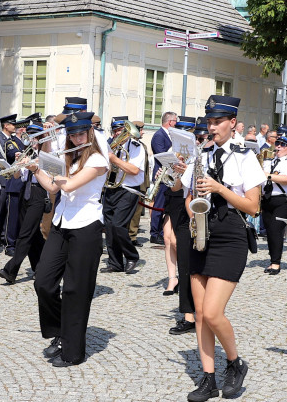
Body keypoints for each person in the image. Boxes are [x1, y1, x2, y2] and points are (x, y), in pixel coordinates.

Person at [176, 95, 264, 402]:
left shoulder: (245, 156)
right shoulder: (201, 154)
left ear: (232, 124)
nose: (211, 128)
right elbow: (186, 195)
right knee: (200, 313)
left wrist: (219, 189)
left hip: (230, 234)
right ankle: (209, 378)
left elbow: (253, 207)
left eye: (217, 123)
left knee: (213, 312)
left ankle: (235, 363)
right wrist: (193, 212)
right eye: (209, 123)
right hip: (200, 231)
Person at [30, 111, 109, 366]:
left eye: (81, 133)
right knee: (43, 281)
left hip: (86, 226)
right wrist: (35, 169)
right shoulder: (69, 156)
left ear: (89, 133)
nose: (76, 138)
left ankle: (73, 352)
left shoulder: (97, 159)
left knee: (76, 289)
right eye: (72, 134)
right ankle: (59, 332)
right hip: (61, 222)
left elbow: (69, 185)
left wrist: (53, 169)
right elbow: (53, 188)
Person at [0, 120, 51, 283]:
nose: (31, 140)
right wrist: (16, 163)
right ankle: (41, 267)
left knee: (25, 234)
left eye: (35, 137)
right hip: (24, 192)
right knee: (33, 234)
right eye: (29, 136)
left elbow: (46, 172)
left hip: (38, 193)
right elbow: (16, 176)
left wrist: (31, 162)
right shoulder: (27, 152)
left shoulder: (46, 153)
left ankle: (11, 270)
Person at [102, 116, 145, 274]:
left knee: (118, 226)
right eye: (115, 131)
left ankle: (132, 256)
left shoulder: (136, 146)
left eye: (121, 131)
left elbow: (134, 170)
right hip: (111, 188)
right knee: (109, 228)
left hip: (128, 189)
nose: (118, 134)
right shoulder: (108, 146)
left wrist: (113, 158)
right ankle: (115, 263)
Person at [165, 116, 196, 335]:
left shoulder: (199, 153)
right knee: (185, 261)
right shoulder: (175, 152)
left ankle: (203, 311)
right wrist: (172, 171)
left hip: (206, 210)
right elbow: (175, 187)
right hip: (184, 209)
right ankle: (188, 315)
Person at [260, 135, 287, 274]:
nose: (278, 146)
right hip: (267, 199)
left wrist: (267, 175)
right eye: (277, 143)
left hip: (282, 200)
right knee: (269, 231)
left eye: (282, 145)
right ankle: (273, 259)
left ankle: (275, 263)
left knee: (276, 231)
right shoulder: (268, 161)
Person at [0, 114, 22, 252]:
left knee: (8, 210)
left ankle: (4, 233)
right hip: (1, 179)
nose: (15, 126)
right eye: (12, 124)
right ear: (6, 125)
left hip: (11, 179)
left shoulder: (14, 140)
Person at [149, 111, 177, 245]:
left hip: (169, 174)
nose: (176, 124)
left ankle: (161, 231)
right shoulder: (158, 135)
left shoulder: (168, 135)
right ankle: (154, 233)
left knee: (165, 205)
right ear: (170, 122)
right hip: (160, 174)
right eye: (175, 121)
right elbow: (161, 155)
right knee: (159, 204)